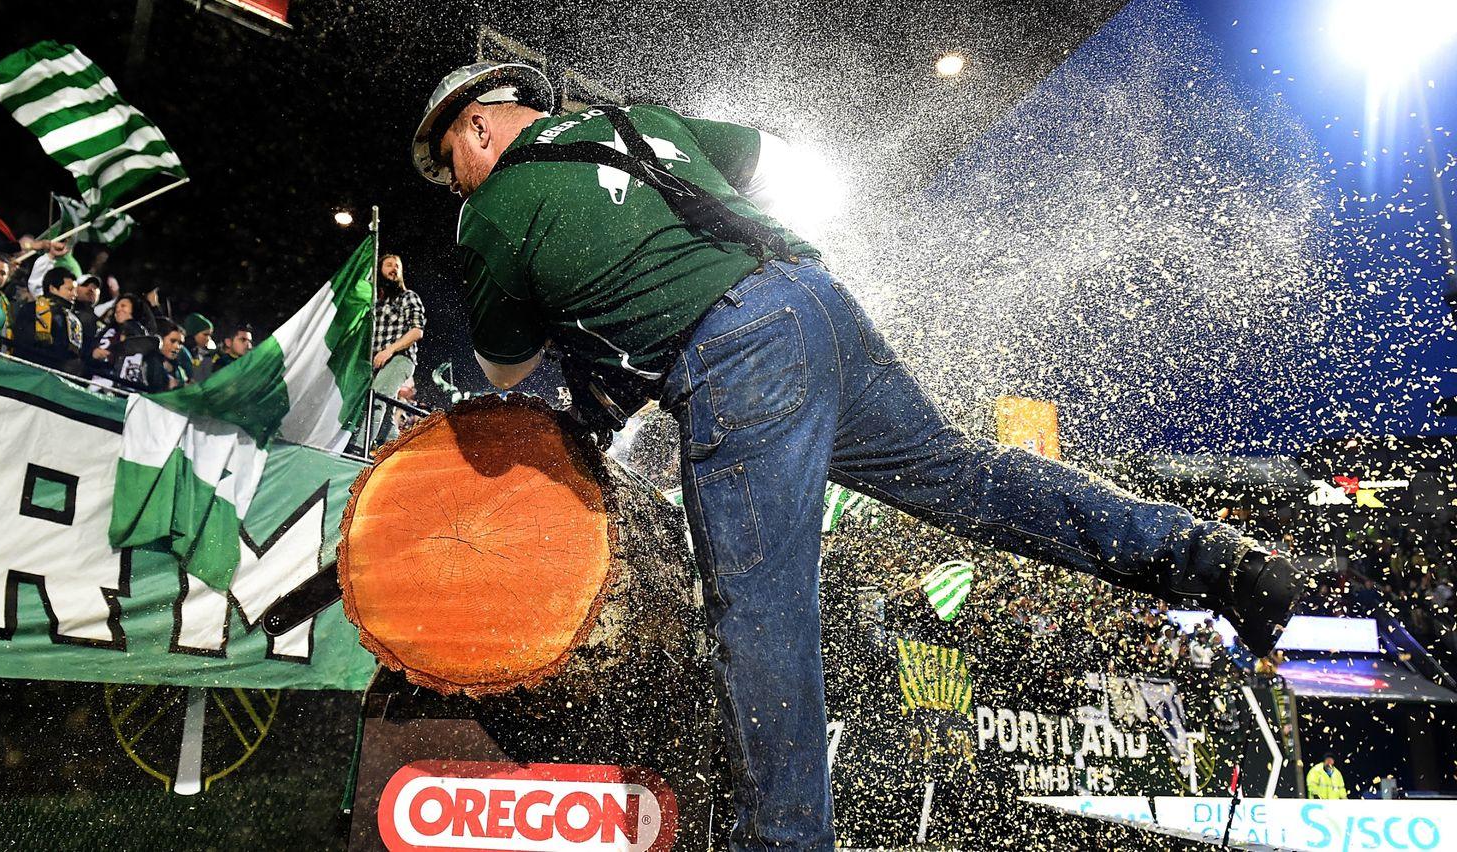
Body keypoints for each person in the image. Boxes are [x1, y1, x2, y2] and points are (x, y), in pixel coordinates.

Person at [411, 62, 1310, 849]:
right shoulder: (633, 119)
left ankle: (782, 843)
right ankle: (1216, 563)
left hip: (734, 360)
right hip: (815, 302)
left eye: (451, 165)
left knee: (758, 611)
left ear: (479, 125)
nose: (456, 186)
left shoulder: (490, 210)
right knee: (967, 476)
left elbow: (505, 363)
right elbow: (774, 161)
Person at [355, 252, 426, 449]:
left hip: (399, 358)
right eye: (388, 265)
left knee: (376, 398)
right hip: (376, 364)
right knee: (386, 416)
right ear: (379, 271)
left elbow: (417, 331)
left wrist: (389, 350)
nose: (394, 268)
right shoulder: (374, 304)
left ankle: (358, 448)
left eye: (397, 266)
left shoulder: (408, 297)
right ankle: (400, 451)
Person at [13, 268, 83, 375]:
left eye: (75, 291)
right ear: (53, 288)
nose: (74, 294)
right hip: (27, 372)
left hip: (56, 377)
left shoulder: (73, 320)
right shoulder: (32, 309)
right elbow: (23, 342)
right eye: (69, 289)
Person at [144, 319, 189, 392]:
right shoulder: (146, 362)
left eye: (180, 343)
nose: (177, 347)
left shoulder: (178, 368)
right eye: (173, 341)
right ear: (159, 339)